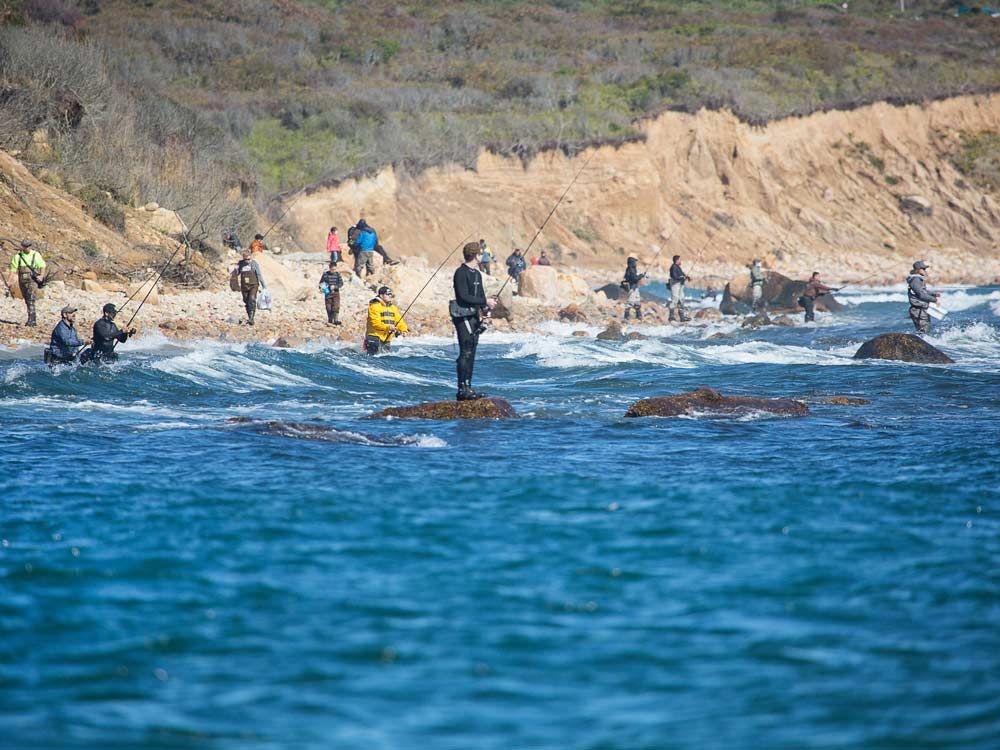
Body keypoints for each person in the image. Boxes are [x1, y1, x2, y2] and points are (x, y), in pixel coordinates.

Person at [451, 242, 496, 401]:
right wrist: (485, 300)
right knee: (466, 351)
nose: (482, 256)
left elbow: (479, 296)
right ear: (476, 255)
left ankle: (468, 387)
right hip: (462, 316)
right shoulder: (460, 273)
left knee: (472, 352)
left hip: (474, 317)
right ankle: (461, 389)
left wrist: (486, 308)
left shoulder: (477, 274)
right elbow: (463, 297)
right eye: (481, 254)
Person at [9, 239, 46, 326]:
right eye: (25, 246)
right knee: (26, 299)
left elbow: (42, 266)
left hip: (32, 280)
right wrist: (9, 281)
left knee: (31, 298)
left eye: (28, 246)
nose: (27, 248)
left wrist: (41, 276)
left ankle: (32, 319)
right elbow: (13, 269)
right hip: (22, 281)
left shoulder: (35, 255)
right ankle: (30, 318)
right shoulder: (17, 256)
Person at [365, 286, 408, 355]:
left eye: (391, 294)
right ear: (381, 295)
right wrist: (388, 327)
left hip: (387, 339)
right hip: (374, 337)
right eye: (387, 294)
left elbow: (399, 321)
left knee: (383, 360)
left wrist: (404, 330)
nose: (390, 296)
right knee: (373, 360)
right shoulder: (374, 307)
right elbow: (375, 323)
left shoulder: (393, 308)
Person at [906, 260, 940, 334]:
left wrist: (934, 294)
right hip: (919, 311)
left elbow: (922, 291)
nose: (925, 271)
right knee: (923, 332)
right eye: (923, 269)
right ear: (918, 270)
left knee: (925, 331)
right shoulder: (915, 280)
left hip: (921, 310)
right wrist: (935, 300)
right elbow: (921, 295)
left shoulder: (917, 279)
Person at [235, 247, 266, 325]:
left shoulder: (254, 263)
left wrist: (264, 285)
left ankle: (251, 318)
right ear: (243, 258)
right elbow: (236, 273)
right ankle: (249, 316)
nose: (247, 261)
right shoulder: (240, 263)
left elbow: (259, 274)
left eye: (249, 259)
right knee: (246, 301)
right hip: (244, 286)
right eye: (246, 260)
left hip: (254, 285)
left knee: (252, 299)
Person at [318, 261, 344, 326]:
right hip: (328, 293)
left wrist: (335, 286)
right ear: (329, 268)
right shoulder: (325, 274)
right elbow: (321, 283)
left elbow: (341, 283)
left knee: (336, 306)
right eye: (332, 269)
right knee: (328, 307)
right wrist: (321, 288)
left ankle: (335, 320)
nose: (334, 271)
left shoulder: (338, 274)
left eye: (335, 269)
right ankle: (330, 320)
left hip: (336, 293)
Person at [668, 254, 690, 322]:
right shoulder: (673, 267)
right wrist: (682, 278)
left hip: (680, 285)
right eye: (680, 260)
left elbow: (682, 274)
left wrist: (686, 277)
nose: (681, 261)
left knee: (681, 300)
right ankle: (671, 316)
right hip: (675, 285)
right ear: (677, 260)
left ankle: (682, 317)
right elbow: (674, 276)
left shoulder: (678, 267)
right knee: (675, 299)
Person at [622, 257, 645, 321]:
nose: (636, 263)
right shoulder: (630, 270)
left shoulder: (632, 269)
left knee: (637, 301)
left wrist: (640, 276)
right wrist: (640, 276)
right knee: (630, 302)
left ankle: (639, 316)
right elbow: (634, 278)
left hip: (635, 287)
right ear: (632, 263)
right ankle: (626, 317)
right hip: (632, 288)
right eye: (634, 262)